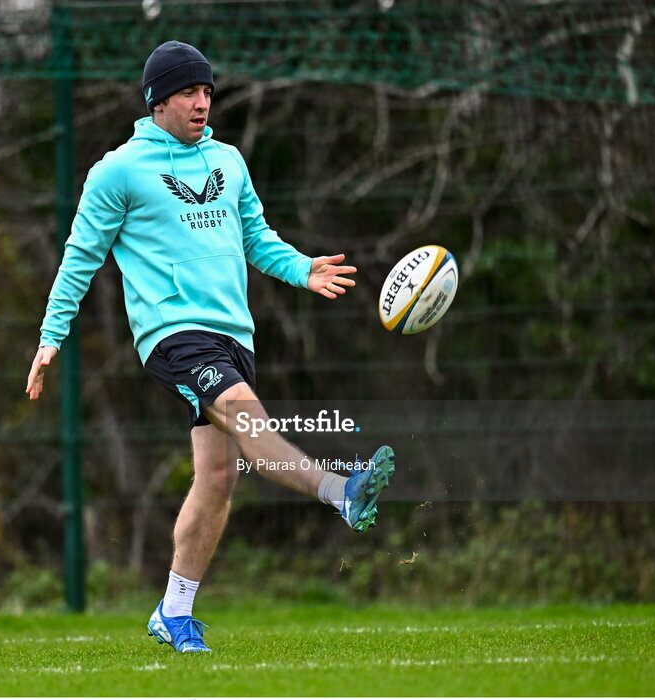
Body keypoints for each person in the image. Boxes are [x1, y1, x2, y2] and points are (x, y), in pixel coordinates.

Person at [26, 40, 395, 653]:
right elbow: (79, 258)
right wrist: (50, 335)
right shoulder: (119, 171)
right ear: (158, 100)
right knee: (250, 417)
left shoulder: (227, 161)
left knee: (219, 478)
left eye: (207, 92)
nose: (202, 103)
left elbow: (256, 236)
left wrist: (304, 270)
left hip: (233, 333)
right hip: (173, 335)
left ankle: (173, 612)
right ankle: (341, 491)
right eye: (189, 93)